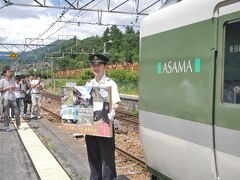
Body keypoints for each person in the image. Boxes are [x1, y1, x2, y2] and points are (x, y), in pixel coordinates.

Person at [85, 54, 121, 180]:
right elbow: (84, 104)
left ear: (105, 67)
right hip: (91, 126)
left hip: (105, 124)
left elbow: (116, 103)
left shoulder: (111, 83)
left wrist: (113, 112)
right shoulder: (88, 83)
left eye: (99, 65)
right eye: (93, 65)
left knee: (107, 158)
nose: (96, 67)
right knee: (93, 157)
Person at [0, 67, 21, 131]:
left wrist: (13, 88)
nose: (10, 73)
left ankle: (18, 125)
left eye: (10, 72)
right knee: (6, 114)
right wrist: (8, 87)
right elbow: (0, 90)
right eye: (8, 72)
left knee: (17, 112)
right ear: (5, 73)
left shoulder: (13, 80)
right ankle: (7, 126)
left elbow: (14, 88)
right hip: (5, 98)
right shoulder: (2, 81)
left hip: (13, 98)